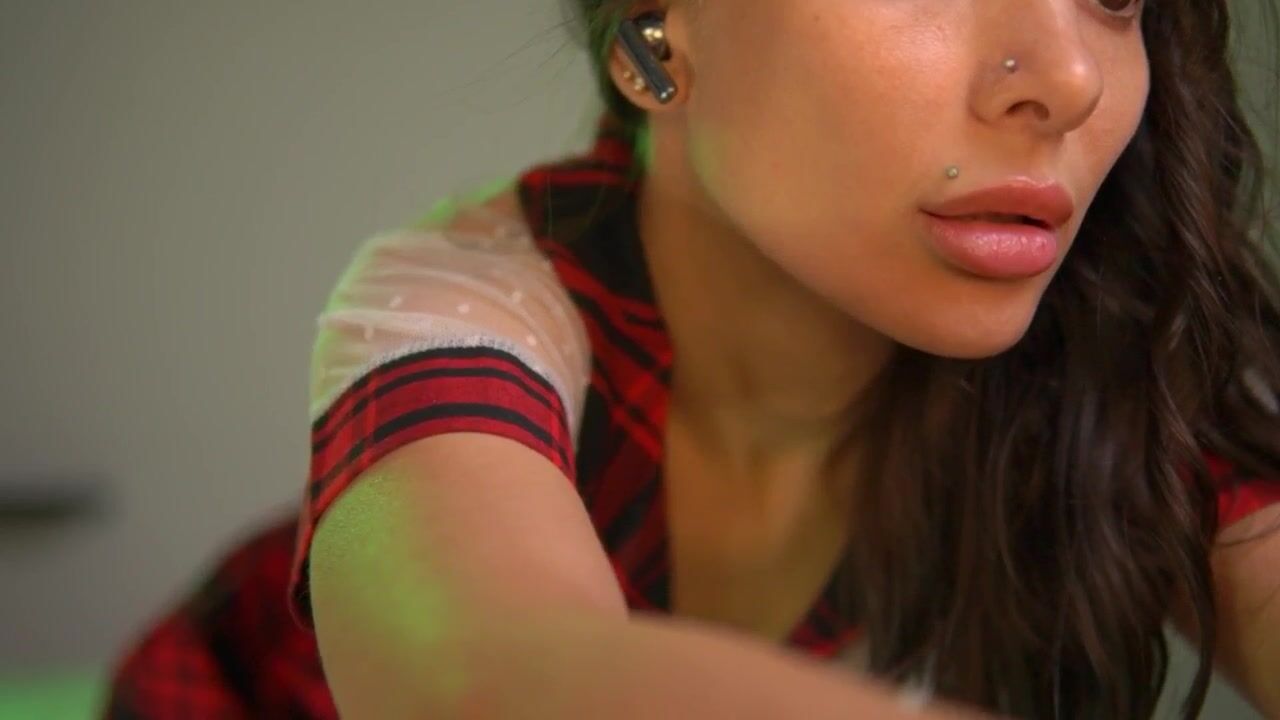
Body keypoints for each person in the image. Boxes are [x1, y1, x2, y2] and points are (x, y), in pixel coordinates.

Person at [106, 0, 1280, 717]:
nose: (1070, 79)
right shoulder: (467, 292)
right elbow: (482, 676)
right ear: (654, 34)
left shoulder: (1123, 338)